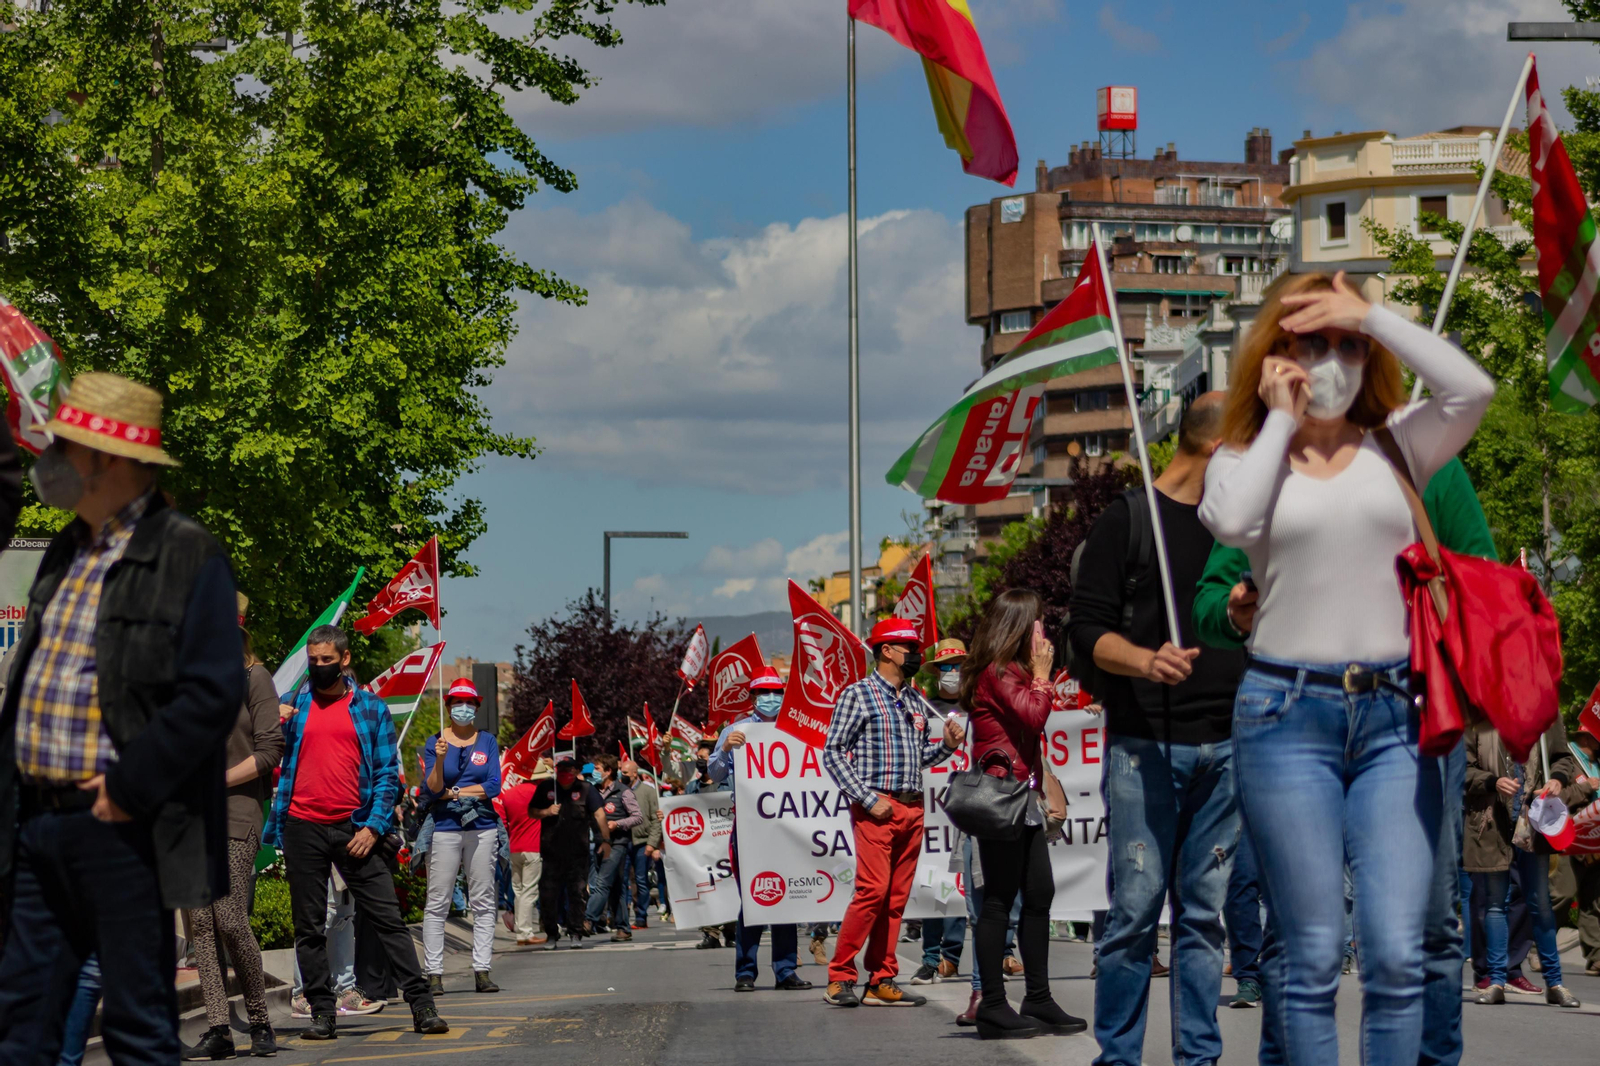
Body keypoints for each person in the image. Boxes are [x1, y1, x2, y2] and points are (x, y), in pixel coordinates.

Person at [1197, 271, 1494, 1065]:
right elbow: (1231, 520)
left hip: (1397, 715)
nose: (1332, 359)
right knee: (1313, 954)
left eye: (1348, 345)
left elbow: (1473, 389)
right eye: (1312, 342)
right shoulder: (1243, 458)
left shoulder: (1400, 441)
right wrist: (1278, 416)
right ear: (1276, 354)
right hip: (1284, 718)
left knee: (1396, 953)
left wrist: (1374, 316)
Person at [0, 374, 241, 1065]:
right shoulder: (66, 548)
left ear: (108, 458)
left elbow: (210, 693)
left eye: (64, 449)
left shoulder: (187, 552)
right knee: (21, 1027)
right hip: (37, 826)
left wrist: (128, 789)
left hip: (123, 828)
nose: (49, 463)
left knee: (137, 1028)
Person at [1067, 392, 1244, 1065]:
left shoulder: (1242, 527)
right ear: (1218, 449)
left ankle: (1198, 1057)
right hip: (1144, 747)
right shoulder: (1128, 519)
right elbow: (1086, 630)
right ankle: (1119, 1058)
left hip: (1227, 747)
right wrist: (1145, 660)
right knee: (1136, 915)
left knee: (1203, 918)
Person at [266, 624, 448, 1038]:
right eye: (313, 661)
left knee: (387, 919)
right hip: (302, 826)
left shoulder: (369, 708)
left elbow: (387, 776)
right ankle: (322, 1013)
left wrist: (373, 828)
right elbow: (264, 756)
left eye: (327, 660)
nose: (319, 667)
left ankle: (422, 1006)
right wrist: (273, 726)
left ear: (344, 659)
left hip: (355, 828)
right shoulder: (291, 705)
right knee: (309, 927)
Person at [821, 618, 965, 1008]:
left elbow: (918, 758)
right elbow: (832, 752)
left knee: (896, 897)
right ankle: (840, 976)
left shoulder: (915, 699)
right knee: (872, 891)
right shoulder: (858, 694)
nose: (917, 655)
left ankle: (881, 979)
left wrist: (947, 746)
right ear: (886, 650)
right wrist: (867, 799)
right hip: (878, 808)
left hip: (912, 807)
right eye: (911, 649)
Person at [962, 591, 1086, 1039]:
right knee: (998, 898)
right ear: (1018, 626)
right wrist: (1043, 676)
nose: (1043, 632)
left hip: (1024, 797)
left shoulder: (1012, 671)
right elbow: (1034, 717)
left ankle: (1038, 997)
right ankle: (993, 1005)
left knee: (1039, 893)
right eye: (1037, 623)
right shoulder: (998, 672)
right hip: (1002, 798)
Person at [181, 594, 285, 1059]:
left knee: (227, 916)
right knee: (200, 924)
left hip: (237, 811)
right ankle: (219, 1029)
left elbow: (269, 751)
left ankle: (260, 1020)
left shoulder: (253, 677)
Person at [1463, 718, 1586, 1008]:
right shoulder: (1479, 712)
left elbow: (1563, 757)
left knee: (1540, 902)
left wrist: (1557, 778)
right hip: (1491, 822)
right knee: (1496, 903)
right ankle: (1496, 981)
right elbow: (1462, 768)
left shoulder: (1544, 711)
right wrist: (1492, 782)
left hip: (1534, 820)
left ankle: (1555, 983)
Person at [709, 666, 814, 992]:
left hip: (788, 825)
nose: (771, 698)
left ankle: (786, 971)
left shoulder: (796, 728)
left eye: (776, 692)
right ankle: (745, 972)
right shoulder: (735, 730)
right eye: (764, 692)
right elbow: (714, 774)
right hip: (751, 828)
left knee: (788, 897)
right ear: (752, 696)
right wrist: (726, 749)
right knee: (753, 899)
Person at [420, 678, 503, 994]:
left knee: (483, 900)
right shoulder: (435, 742)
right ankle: (434, 974)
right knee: (437, 901)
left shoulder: (487, 741)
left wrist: (454, 792)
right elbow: (433, 789)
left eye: (469, 703)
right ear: (448, 706)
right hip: (445, 828)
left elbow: (493, 786)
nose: (463, 708)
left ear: (477, 707)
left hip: (482, 828)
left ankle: (482, 970)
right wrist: (441, 759)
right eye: (457, 702)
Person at [910, 639, 970, 989]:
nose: (952, 672)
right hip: (931, 813)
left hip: (968, 809)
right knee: (933, 884)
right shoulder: (924, 710)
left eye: (958, 666)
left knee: (960, 884)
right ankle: (931, 958)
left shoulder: (978, 708)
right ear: (936, 673)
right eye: (946, 667)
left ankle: (952, 957)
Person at [530, 757, 610, 948]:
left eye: (568, 769)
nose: (565, 773)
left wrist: (606, 840)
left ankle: (575, 932)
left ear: (576, 771)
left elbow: (599, 814)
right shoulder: (547, 788)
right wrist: (547, 812)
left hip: (577, 853)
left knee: (577, 893)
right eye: (561, 769)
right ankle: (551, 933)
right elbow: (531, 811)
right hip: (551, 852)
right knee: (548, 894)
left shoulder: (586, 789)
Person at [584, 754, 642, 940]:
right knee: (616, 885)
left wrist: (617, 824)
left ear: (608, 771)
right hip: (598, 843)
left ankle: (588, 920)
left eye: (597, 769)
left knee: (601, 882)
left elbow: (637, 817)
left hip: (617, 844)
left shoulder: (623, 791)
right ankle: (623, 928)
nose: (594, 772)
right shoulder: (592, 791)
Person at [686, 739, 736, 950]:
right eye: (697, 758)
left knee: (730, 887)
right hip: (703, 848)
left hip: (728, 844)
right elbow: (684, 813)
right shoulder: (692, 787)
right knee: (707, 890)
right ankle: (710, 933)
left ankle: (732, 932)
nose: (699, 761)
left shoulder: (730, 782)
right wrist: (667, 815)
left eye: (703, 758)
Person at [499, 760, 550, 946]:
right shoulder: (539, 794)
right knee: (529, 891)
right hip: (533, 847)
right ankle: (526, 932)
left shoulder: (508, 794)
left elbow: (503, 822)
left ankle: (521, 932)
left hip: (514, 847)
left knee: (519, 891)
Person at [1568, 730, 1600, 976]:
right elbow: (1561, 796)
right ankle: (1536, 946)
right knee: (1562, 894)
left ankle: (1596, 956)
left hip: (1595, 836)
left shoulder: (1596, 763)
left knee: (1593, 895)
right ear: (1587, 739)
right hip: (1571, 835)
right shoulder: (1568, 760)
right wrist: (1587, 788)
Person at [620, 758, 663, 933]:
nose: (622, 775)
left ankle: (641, 916)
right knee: (622, 880)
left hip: (642, 842)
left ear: (634, 773)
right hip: (623, 842)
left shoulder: (648, 791)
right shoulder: (620, 790)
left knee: (641, 880)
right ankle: (621, 918)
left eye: (625, 773)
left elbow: (656, 819)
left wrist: (652, 843)